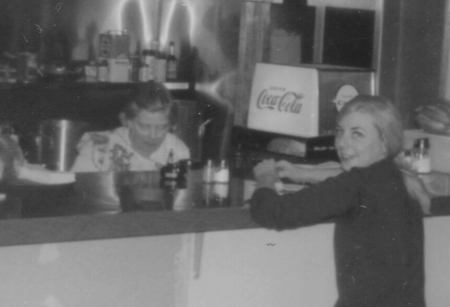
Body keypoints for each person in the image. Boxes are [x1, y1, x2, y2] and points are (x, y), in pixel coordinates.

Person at [250, 95, 427, 307]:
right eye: (340, 132)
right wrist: (302, 173)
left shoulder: (354, 185)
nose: (342, 143)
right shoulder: (396, 177)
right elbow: (351, 178)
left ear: (384, 142)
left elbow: (275, 212)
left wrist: (265, 179)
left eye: (357, 134)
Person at [72, 81, 190, 172]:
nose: (153, 135)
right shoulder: (97, 148)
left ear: (170, 125)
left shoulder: (177, 151)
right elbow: (78, 192)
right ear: (127, 121)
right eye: (144, 126)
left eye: (162, 127)